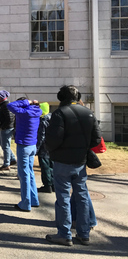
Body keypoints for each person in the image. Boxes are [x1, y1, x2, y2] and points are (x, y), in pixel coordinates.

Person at [45, 85, 101, 246]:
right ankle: (84, 234)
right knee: (81, 196)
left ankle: (64, 234)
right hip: (80, 161)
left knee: (62, 198)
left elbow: (53, 139)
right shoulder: (89, 112)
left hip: (62, 161)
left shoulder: (59, 113)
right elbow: (96, 139)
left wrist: (52, 150)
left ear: (61, 97)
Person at [7, 97, 42, 212]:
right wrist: (31, 103)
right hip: (32, 145)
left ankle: (25, 203)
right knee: (30, 172)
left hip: (23, 145)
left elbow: (11, 105)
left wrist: (28, 101)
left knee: (24, 174)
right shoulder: (37, 111)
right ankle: (34, 199)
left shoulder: (24, 112)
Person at [0, 90, 17, 170]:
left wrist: (3, 126)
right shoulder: (2, 105)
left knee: (5, 146)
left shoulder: (6, 105)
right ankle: (12, 159)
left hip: (7, 128)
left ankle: (6, 163)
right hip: (4, 127)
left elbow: (10, 118)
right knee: (2, 144)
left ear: (2, 97)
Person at [36, 102, 54, 193]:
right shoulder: (53, 118)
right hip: (52, 146)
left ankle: (47, 185)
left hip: (44, 147)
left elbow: (41, 136)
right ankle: (54, 184)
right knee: (52, 165)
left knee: (45, 166)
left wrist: (37, 148)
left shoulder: (43, 120)